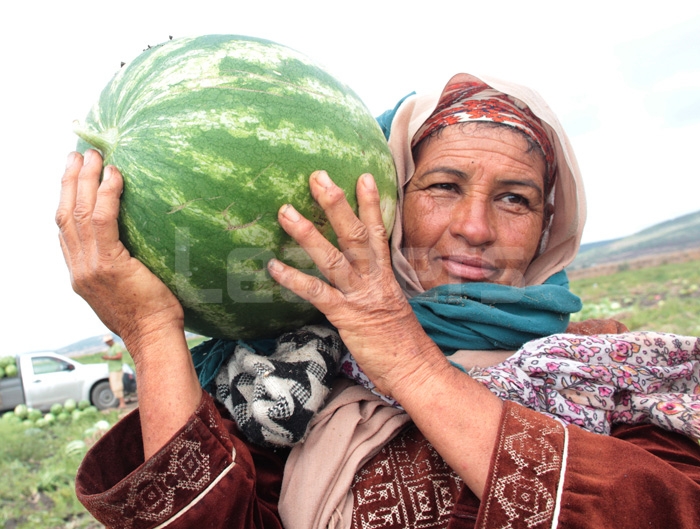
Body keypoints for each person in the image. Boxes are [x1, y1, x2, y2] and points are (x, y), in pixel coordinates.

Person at [56, 72, 700, 528]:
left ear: (548, 228)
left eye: (515, 198)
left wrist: (411, 363)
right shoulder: (283, 382)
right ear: (388, 203)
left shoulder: (613, 373)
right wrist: (151, 332)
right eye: (443, 186)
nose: (475, 228)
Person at [101, 334, 127, 409]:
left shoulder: (116, 346)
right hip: (112, 370)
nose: (107, 343)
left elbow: (119, 356)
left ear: (111, 340)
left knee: (117, 386)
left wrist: (108, 357)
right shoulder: (110, 348)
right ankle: (120, 402)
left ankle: (122, 403)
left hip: (117, 369)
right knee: (114, 386)